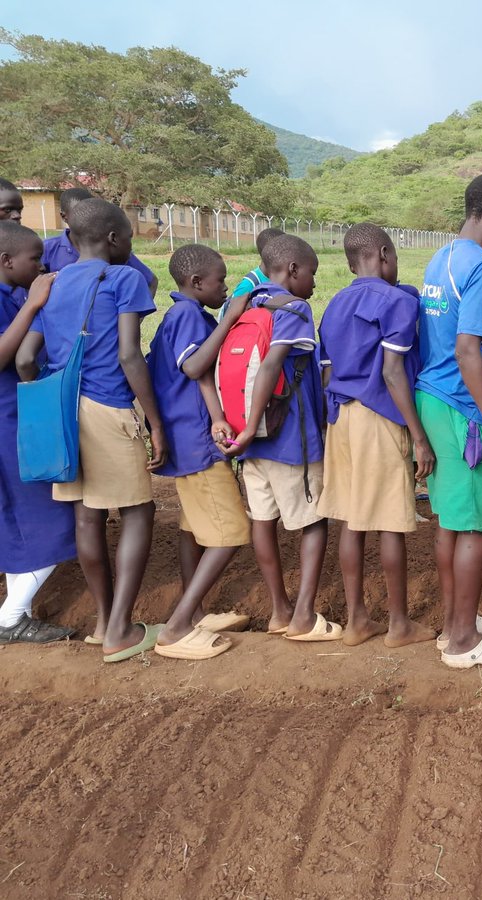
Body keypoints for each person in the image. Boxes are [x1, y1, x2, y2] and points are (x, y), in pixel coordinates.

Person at [16, 198, 167, 660]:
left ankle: (103, 621)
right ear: (115, 238)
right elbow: (129, 355)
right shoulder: (123, 278)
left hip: (63, 412)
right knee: (138, 511)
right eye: (129, 236)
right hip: (108, 407)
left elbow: (25, 360)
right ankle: (121, 629)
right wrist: (155, 423)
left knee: (87, 517)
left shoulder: (52, 283)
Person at [415, 173, 482, 669]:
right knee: (476, 525)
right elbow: (467, 349)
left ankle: (456, 622)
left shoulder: (441, 258)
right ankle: (463, 641)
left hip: (432, 399)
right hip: (464, 408)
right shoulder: (481, 266)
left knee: (450, 523)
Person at [316, 223, 437, 648]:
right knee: (389, 524)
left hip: (341, 419)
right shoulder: (396, 302)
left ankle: (357, 621)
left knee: (351, 520)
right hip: (378, 420)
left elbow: (327, 372)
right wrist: (419, 437)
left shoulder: (335, 303)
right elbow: (392, 372)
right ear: (385, 254)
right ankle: (399, 624)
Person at [221, 234, 333, 642]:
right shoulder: (294, 308)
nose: (314, 283)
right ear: (292, 270)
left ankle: (279, 610)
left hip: (251, 444)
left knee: (263, 521)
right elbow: (270, 365)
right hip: (290, 439)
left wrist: (245, 430)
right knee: (314, 522)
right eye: (312, 274)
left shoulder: (245, 304)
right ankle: (303, 616)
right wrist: (254, 424)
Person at [146, 244, 253, 660]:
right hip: (196, 442)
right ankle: (176, 629)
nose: (225, 288)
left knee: (192, 528)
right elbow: (194, 367)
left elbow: (197, 374)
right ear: (195, 282)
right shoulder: (188, 316)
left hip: (186, 435)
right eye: (220, 280)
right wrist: (229, 320)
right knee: (230, 532)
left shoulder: (180, 315)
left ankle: (196, 615)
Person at [0, 222, 75, 643]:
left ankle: (18, 612)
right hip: (10, 423)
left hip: (17, 417)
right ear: (6, 261)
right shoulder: (16, 300)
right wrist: (32, 305)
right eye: (34, 259)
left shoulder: (11, 294)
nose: (41, 266)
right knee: (51, 516)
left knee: (21, 519)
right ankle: (10, 617)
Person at [42, 187, 158, 297]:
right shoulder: (46, 250)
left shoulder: (113, 250)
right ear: (64, 216)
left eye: (92, 212)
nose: (87, 218)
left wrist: (138, 309)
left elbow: (150, 281)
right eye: (78, 213)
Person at [229, 227, 286, 300]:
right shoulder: (249, 285)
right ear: (271, 254)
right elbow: (233, 306)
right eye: (285, 251)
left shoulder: (282, 279)